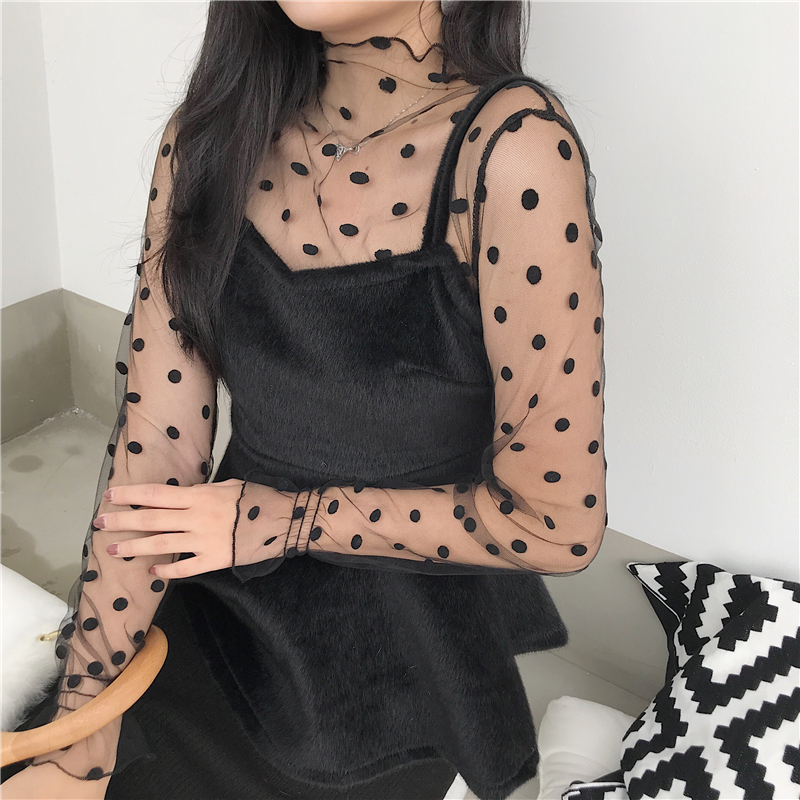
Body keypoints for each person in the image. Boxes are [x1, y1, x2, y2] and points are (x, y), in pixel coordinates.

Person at [1, 1, 607, 798]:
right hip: (226, 602)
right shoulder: (211, 135)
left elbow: (557, 524)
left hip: (404, 654)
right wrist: (80, 731)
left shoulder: (513, 150)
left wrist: (279, 520)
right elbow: (156, 446)